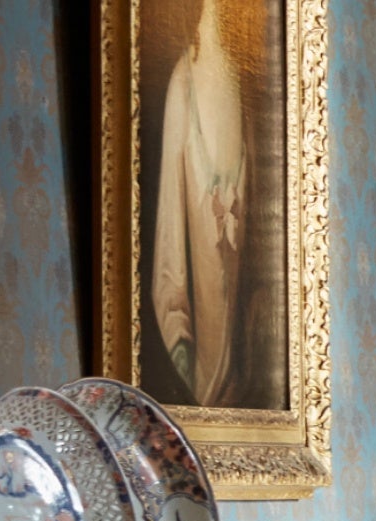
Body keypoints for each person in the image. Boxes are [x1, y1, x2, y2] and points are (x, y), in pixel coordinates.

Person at [150, 0, 248, 406]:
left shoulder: (240, 84)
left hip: (239, 377)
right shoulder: (183, 86)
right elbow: (170, 251)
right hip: (197, 384)